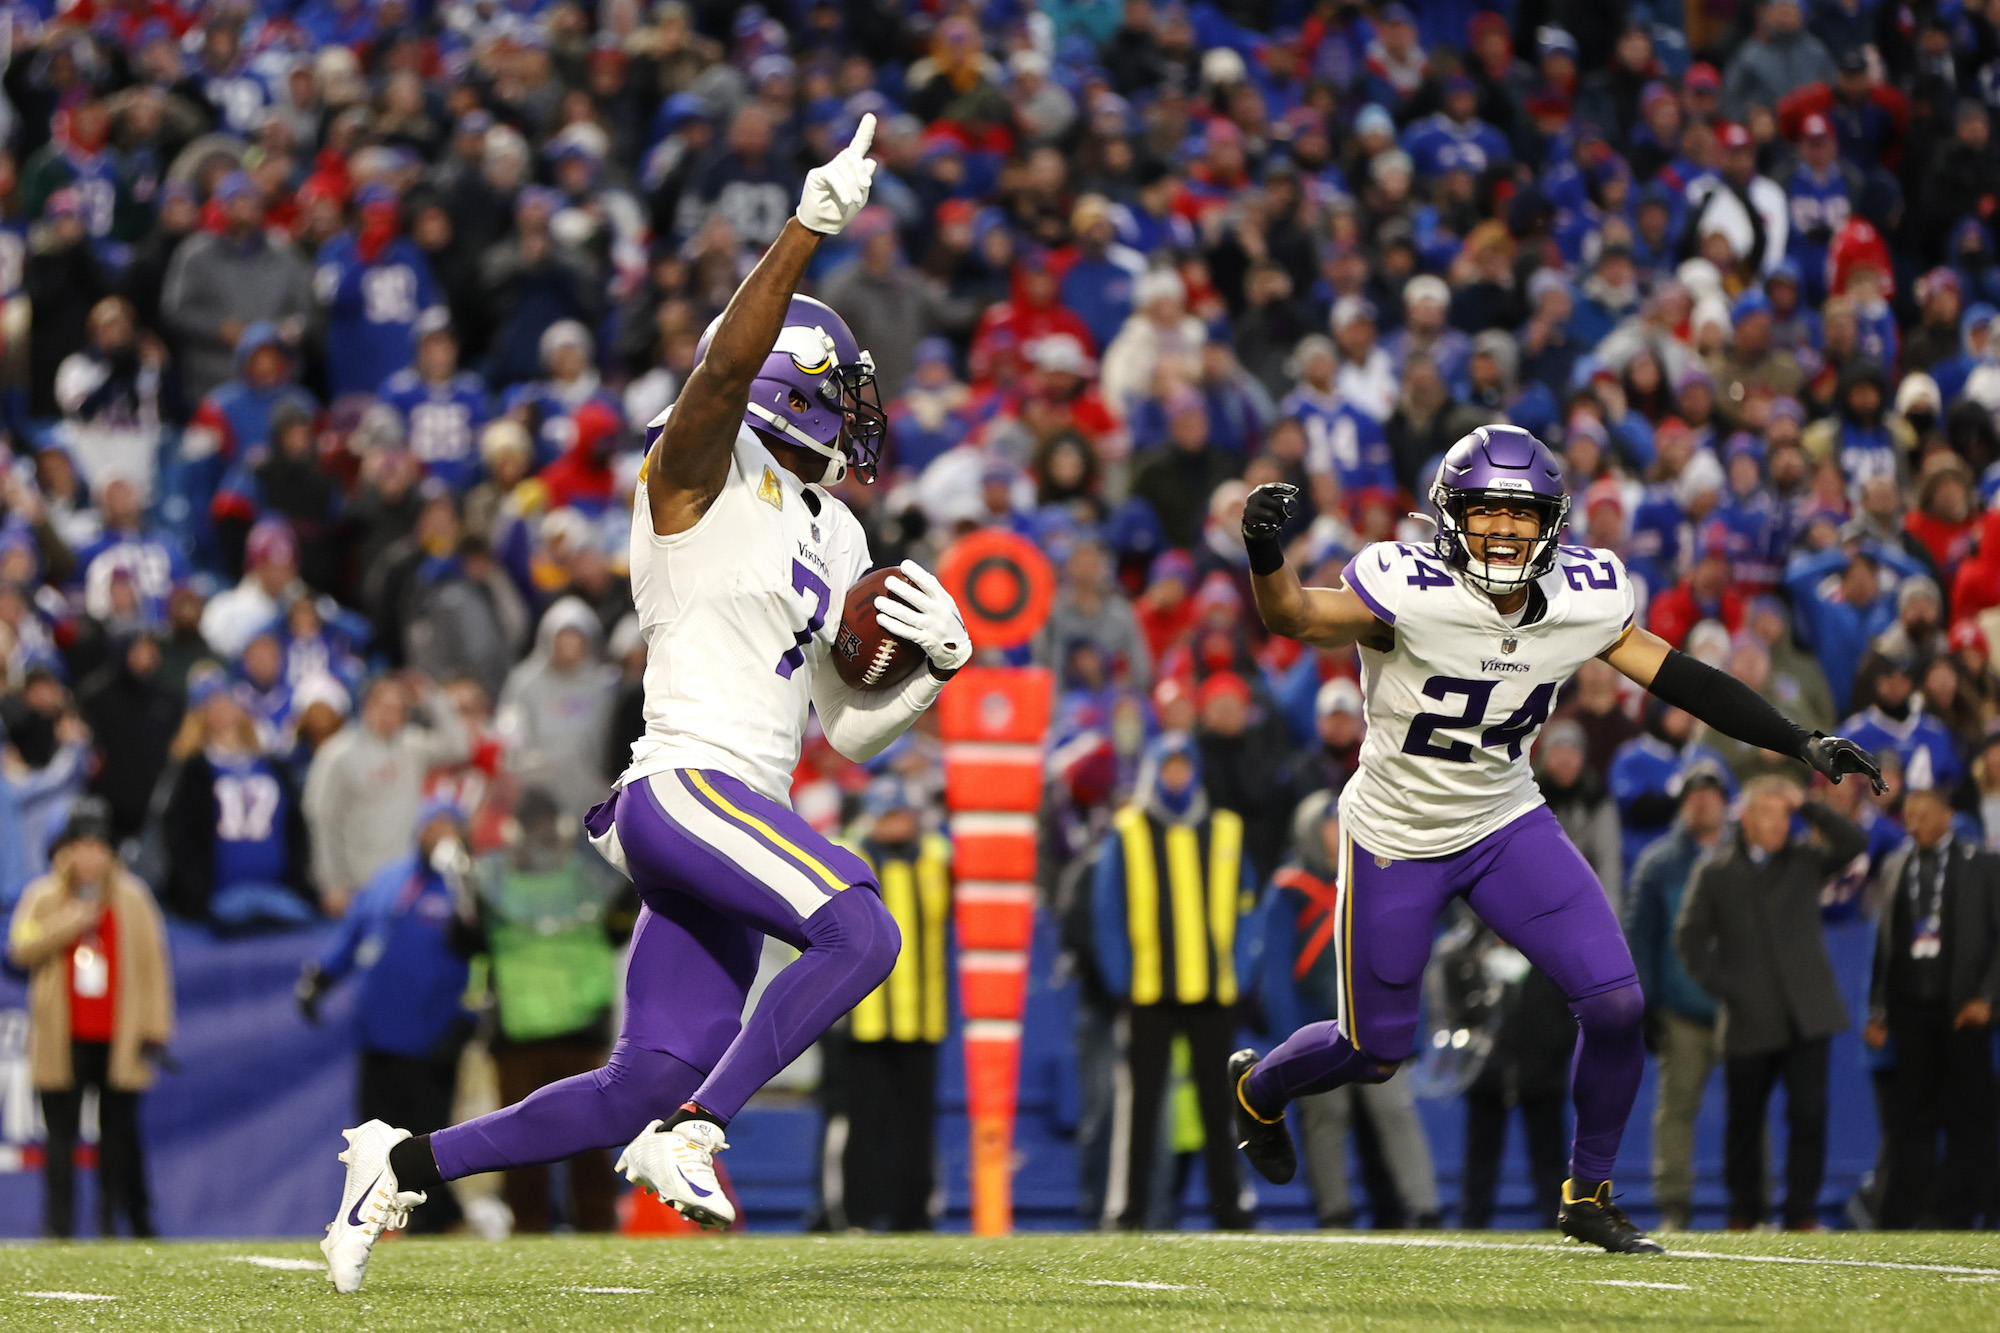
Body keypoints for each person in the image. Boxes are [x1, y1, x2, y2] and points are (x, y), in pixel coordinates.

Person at [317, 119, 971, 1292]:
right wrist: (806, 227)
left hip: (740, 806)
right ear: (796, 388)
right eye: (844, 392)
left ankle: (401, 1159)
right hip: (687, 784)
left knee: (645, 1074)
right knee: (862, 926)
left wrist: (930, 676)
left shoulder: (835, 528)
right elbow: (722, 368)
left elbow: (848, 730)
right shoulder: (696, 462)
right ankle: (699, 1133)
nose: (863, 414)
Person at [1229, 426, 1882, 1254]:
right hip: (1398, 829)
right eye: (1486, 512)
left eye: (1521, 514)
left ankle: (1590, 1192)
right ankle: (1259, 1087)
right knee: (1376, 1048)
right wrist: (1262, 545)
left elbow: (1681, 676)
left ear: (1553, 524)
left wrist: (1797, 739)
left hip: (1505, 817)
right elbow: (1291, 613)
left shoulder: (1585, 594)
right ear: (1449, 517)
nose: (1503, 530)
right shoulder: (1407, 588)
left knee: (1616, 1003)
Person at [1674, 775, 1868, 1230]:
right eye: (1771, 814)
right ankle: (1745, 1212)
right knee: (1744, 1123)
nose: (1781, 825)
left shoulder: (1804, 859)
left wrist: (1809, 806)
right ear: (1746, 818)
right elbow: (1688, 938)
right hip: (1747, 1019)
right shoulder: (1716, 872)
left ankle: (1801, 1212)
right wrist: (1728, 986)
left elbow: (1854, 841)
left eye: (1785, 816)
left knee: (1809, 1115)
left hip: (1809, 1013)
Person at [1091, 733, 1255, 1230]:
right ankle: (1132, 1209)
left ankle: (1230, 1207)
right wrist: (1122, 980)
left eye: (1186, 767)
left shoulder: (1226, 830)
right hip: (1149, 993)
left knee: (1220, 1106)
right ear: (1153, 772)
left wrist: (1241, 973)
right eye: (1169, 768)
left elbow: (1248, 908)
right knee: (1141, 1109)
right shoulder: (1128, 830)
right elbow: (1107, 911)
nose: (1177, 777)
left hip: (1212, 993)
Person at [298, 799, 481, 1236]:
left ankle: (440, 1224)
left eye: (448, 827)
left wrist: (467, 1018)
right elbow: (356, 932)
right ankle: (379, 1224)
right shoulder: (389, 880)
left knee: (428, 1138)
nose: (439, 835)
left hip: (431, 1039)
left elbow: (482, 957)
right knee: (374, 1137)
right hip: (378, 1036)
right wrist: (321, 976)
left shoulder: (466, 888)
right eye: (431, 826)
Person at [1257, 791, 1439, 1228]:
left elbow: (1405, 951)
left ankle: (1425, 1208)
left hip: (1374, 1025)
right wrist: (1290, 1043)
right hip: (1316, 1027)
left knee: (1395, 1110)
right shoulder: (1290, 892)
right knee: (1325, 1116)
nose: (1336, 833)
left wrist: (1412, 1025)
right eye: (1327, 824)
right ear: (1308, 832)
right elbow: (1276, 976)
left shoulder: (1376, 877)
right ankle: (1334, 1211)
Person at [6, 799, 173, 1238]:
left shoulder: (134, 897)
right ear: (65, 850)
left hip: (119, 1036)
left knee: (118, 1140)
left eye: (98, 847)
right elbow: (20, 948)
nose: (89, 857)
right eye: (80, 846)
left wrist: (156, 1027)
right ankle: (57, 1229)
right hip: (63, 1038)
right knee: (60, 1138)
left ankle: (112, 1228)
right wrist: (69, 922)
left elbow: (155, 964)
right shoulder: (43, 896)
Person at [472, 787, 628, 1235]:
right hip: (567, 1026)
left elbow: (466, 940)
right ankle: (592, 1228)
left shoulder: (493, 879)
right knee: (582, 1137)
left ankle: (536, 1230)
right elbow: (619, 928)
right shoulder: (588, 876)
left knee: (525, 1137)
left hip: (526, 1029)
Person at [1866, 780, 2000, 1229]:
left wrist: (1987, 999)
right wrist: (1879, 1010)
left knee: (1972, 1118)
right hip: (1910, 1013)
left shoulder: (1982, 863)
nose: (1913, 823)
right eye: (1909, 815)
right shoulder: (1895, 865)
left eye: (1923, 814)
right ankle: (1908, 1219)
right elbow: (1886, 945)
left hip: (1963, 1012)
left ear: (1948, 816)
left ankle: (1975, 1215)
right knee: (1909, 1122)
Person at [836, 777, 953, 1232]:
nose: (895, 824)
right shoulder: (849, 859)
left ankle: (914, 1216)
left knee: (917, 1127)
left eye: (901, 815)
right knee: (865, 1124)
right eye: (887, 816)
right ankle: (858, 1215)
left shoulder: (938, 857)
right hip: (863, 1016)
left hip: (922, 1015)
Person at [1623, 764, 1730, 1231]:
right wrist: (1645, 1005)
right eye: (1694, 795)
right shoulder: (1658, 863)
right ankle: (1674, 1207)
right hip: (1682, 1008)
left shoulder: (1746, 856)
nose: (1703, 802)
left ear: (1726, 802)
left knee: (1751, 1105)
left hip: (1740, 1006)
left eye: (1711, 794)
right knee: (1676, 1109)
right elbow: (1639, 939)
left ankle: (1752, 1205)